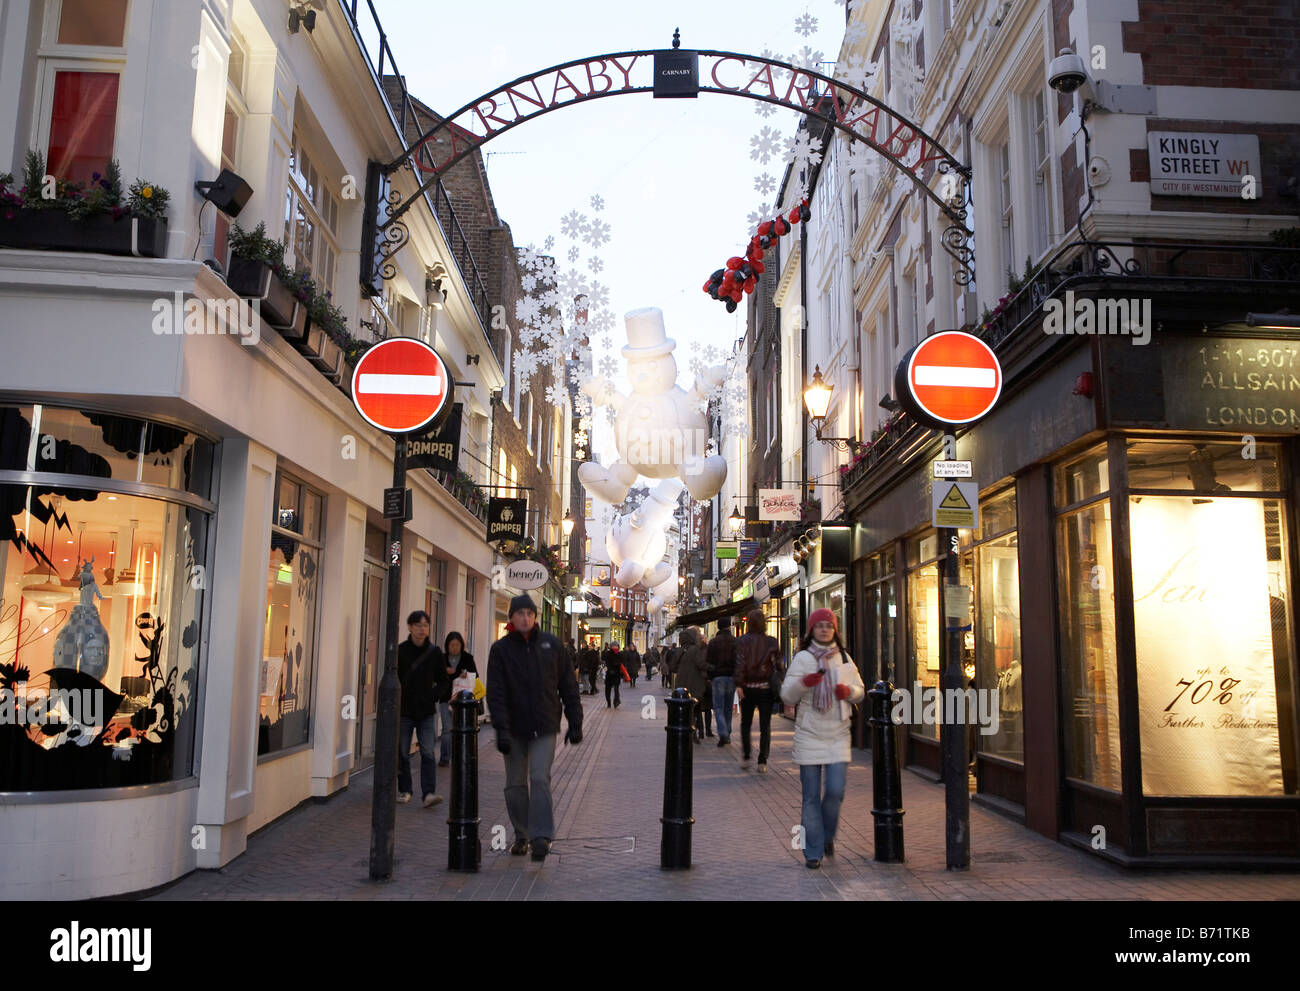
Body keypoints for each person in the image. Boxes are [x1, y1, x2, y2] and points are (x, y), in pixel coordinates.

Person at [486, 594, 582, 861]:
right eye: (520, 614)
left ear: (535, 617)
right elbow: (496, 693)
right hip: (514, 729)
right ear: (512, 618)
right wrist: (501, 729)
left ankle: (541, 836)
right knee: (514, 785)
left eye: (529, 613)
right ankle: (522, 833)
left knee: (539, 778)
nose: (525, 618)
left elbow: (568, 686)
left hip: (544, 725)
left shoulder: (552, 646)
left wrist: (575, 722)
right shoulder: (501, 650)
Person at [780, 608, 865, 868]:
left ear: (834, 630)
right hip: (809, 734)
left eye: (829, 625)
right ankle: (813, 851)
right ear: (812, 630)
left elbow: (860, 691)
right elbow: (787, 696)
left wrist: (848, 690)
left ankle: (827, 836)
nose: (825, 629)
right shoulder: (803, 658)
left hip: (838, 734)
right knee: (810, 797)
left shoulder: (844, 658)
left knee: (836, 792)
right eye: (820, 626)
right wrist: (805, 682)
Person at [397, 610, 447, 807]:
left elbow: (444, 681)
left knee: (427, 752)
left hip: (426, 712)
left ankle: (428, 793)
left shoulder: (434, 653)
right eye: (417, 625)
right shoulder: (401, 651)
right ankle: (405, 790)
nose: (421, 629)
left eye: (425, 625)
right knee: (402, 752)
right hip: (405, 711)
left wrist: (432, 696)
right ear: (409, 627)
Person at [734, 607, 781, 772]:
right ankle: (762, 761)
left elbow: (739, 663)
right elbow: (778, 665)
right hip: (765, 689)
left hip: (747, 688)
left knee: (745, 723)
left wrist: (739, 684)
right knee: (765, 726)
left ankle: (747, 756)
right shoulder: (772, 642)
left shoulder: (742, 641)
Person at [437, 631, 476, 766]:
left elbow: (475, 676)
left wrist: (465, 674)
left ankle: (458, 756)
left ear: (461, 645)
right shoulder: (441, 659)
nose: (454, 648)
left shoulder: (468, 658)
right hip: (446, 698)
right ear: (447, 646)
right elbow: (436, 677)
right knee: (447, 729)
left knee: (460, 728)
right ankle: (444, 757)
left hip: (462, 700)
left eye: (457, 645)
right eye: (451, 645)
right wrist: (444, 671)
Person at [673, 627, 711, 743]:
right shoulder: (695, 650)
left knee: (685, 709)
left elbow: (673, 667)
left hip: (681, 686)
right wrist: (712, 668)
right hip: (695, 684)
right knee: (695, 709)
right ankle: (694, 732)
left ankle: (687, 731)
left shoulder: (679, 650)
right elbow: (701, 664)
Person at [706, 616, 737, 747]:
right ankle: (727, 733)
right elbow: (738, 660)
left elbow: (708, 661)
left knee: (718, 707)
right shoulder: (735, 641)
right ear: (729, 626)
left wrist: (710, 675)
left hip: (717, 678)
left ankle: (723, 732)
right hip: (731, 677)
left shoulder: (713, 642)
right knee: (728, 708)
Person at [602, 641, 622, 708]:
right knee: (608, 689)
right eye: (614, 646)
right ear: (611, 647)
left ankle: (616, 701)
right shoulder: (608, 653)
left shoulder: (619, 654)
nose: (615, 647)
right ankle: (608, 702)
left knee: (616, 689)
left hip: (617, 674)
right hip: (610, 674)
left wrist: (618, 665)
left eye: (616, 646)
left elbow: (622, 663)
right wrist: (610, 669)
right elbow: (607, 663)